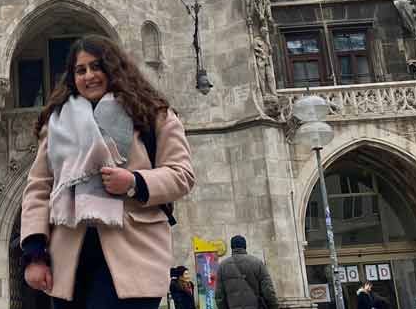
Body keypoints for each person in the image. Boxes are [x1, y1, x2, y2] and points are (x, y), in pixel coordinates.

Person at [20, 35, 195, 308]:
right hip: (70, 262)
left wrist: (134, 182)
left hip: (133, 255)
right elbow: (38, 188)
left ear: (114, 69)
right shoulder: (57, 124)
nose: (89, 76)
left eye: (97, 66)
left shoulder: (152, 115)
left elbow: (182, 174)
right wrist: (34, 256)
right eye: (81, 70)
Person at [215, 235, 278, 309]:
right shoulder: (257, 263)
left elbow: (219, 297)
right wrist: (274, 306)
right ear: (245, 246)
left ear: (232, 248)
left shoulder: (222, 266)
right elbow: (268, 291)